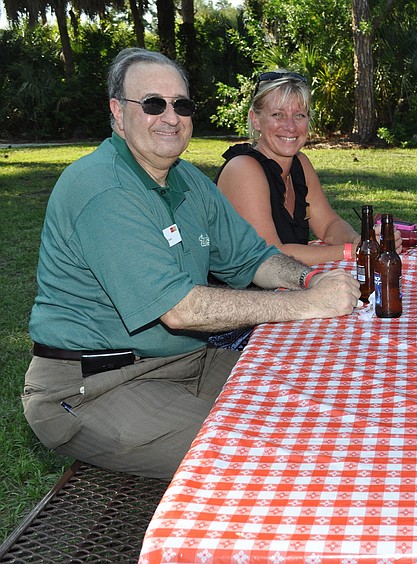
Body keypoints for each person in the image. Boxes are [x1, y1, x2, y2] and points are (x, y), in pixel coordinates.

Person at [22, 48, 360, 480]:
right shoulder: (102, 189)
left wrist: (310, 277)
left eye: (181, 104)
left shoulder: (187, 180)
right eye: (152, 104)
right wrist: (308, 303)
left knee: (320, 394)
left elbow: (253, 258)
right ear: (117, 113)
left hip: (188, 362)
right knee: (264, 459)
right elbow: (181, 309)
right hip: (98, 387)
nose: (170, 116)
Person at [215, 69, 401, 265]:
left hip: (283, 285)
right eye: (278, 114)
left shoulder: (300, 164)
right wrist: (353, 252)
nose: (290, 126)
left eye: (299, 115)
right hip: (236, 292)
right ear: (255, 119)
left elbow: (329, 225)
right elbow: (270, 254)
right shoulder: (243, 169)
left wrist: (361, 242)